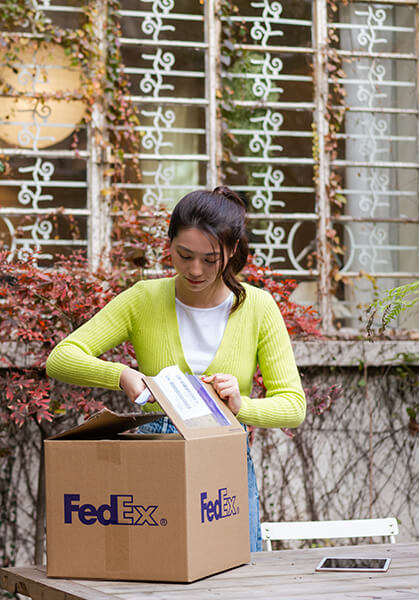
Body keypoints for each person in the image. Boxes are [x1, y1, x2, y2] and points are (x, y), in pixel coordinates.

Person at [45, 186, 306, 552]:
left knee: (233, 574)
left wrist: (240, 406)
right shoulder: (143, 299)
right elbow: (61, 357)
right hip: (155, 454)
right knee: (154, 566)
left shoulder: (258, 308)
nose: (194, 270)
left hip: (223, 458)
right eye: (183, 255)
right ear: (169, 245)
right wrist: (122, 375)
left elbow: (293, 406)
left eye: (210, 259)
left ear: (231, 252)